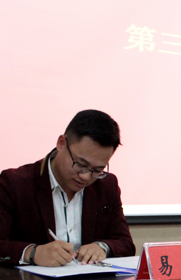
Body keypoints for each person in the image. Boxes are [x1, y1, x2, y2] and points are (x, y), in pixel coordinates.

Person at [0, 109, 136, 266]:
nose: (86, 176)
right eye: (80, 164)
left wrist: (102, 247)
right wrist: (32, 253)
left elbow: (125, 243)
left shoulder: (106, 185)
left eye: (97, 170)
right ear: (61, 144)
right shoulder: (15, 184)